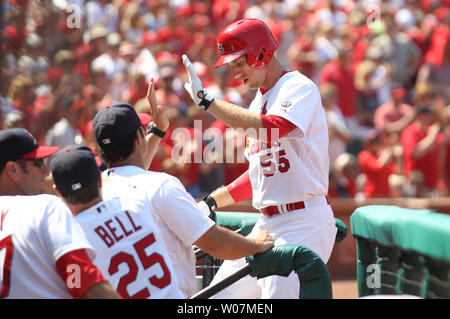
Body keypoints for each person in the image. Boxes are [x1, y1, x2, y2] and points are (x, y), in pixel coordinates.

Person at [182, 18, 337, 299]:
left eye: (238, 63)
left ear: (262, 53)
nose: (234, 73)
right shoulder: (257, 102)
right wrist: (211, 202)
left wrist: (209, 103)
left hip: (303, 220)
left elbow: (273, 128)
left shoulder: (297, 86)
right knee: (218, 298)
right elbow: (258, 176)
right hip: (267, 223)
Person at [92, 80, 274, 298]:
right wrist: (256, 244)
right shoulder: (161, 185)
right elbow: (218, 245)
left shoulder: (95, 192)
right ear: (138, 138)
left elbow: (132, 171)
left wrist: (157, 131)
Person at [50, 144, 184, 299]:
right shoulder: (135, 202)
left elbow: (76, 291)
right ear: (100, 180)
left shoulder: (71, 239)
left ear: (59, 192)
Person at [0, 128, 120, 299]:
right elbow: (82, 283)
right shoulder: (43, 207)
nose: (44, 172)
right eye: (38, 162)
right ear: (13, 170)